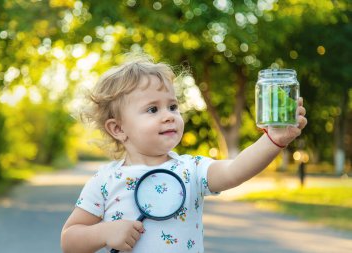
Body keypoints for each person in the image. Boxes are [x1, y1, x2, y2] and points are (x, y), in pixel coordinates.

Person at [61, 55, 307, 253]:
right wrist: (104, 232)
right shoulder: (104, 181)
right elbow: (69, 239)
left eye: (172, 106)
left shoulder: (191, 169)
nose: (168, 115)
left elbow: (235, 171)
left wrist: (273, 140)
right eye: (152, 109)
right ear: (118, 128)